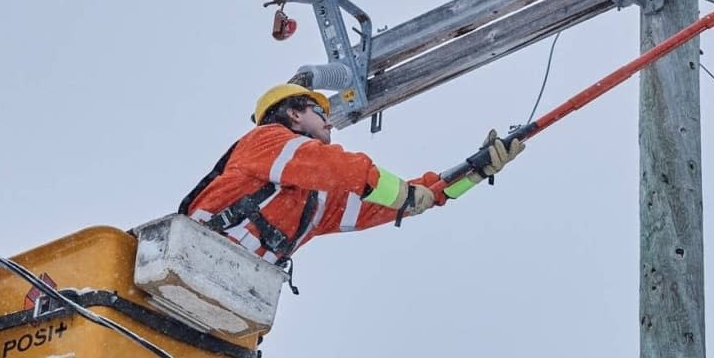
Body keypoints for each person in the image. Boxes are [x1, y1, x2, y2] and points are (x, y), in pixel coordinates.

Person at [179, 84, 523, 265]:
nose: (329, 122)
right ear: (293, 114)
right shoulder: (264, 141)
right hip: (193, 255)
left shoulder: (317, 202)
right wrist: (403, 193)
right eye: (319, 111)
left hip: (230, 287)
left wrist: (474, 172)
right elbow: (339, 168)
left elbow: (397, 204)